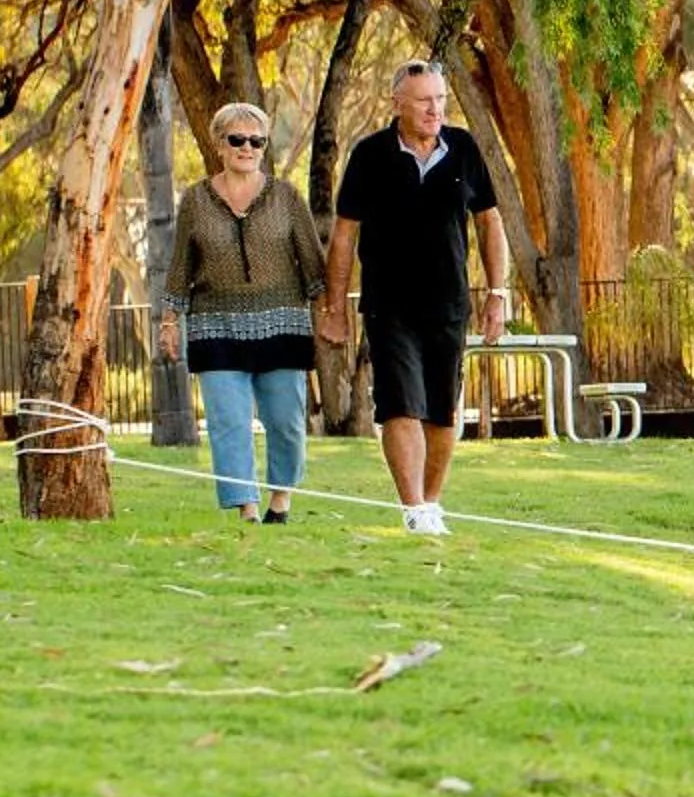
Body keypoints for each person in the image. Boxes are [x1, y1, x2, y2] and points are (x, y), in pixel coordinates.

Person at [320, 59, 510, 537]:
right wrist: (335, 306)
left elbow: (490, 222)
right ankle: (413, 509)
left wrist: (497, 293)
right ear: (397, 103)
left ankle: (430, 502)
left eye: (441, 99)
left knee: (443, 411)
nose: (435, 109)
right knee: (402, 403)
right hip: (389, 306)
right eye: (425, 100)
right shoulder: (370, 155)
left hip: (448, 305)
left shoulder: (464, 148)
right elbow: (344, 235)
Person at [159, 102, 327, 524]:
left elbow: (313, 264)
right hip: (215, 327)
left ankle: (280, 501)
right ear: (219, 144)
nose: (247, 148)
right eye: (237, 140)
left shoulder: (287, 197)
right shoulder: (196, 201)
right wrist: (168, 320)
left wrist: (328, 313)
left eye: (257, 141)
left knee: (286, 422)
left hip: (282, 325)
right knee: (228, 423)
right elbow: (180, 267)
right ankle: (247, 509)